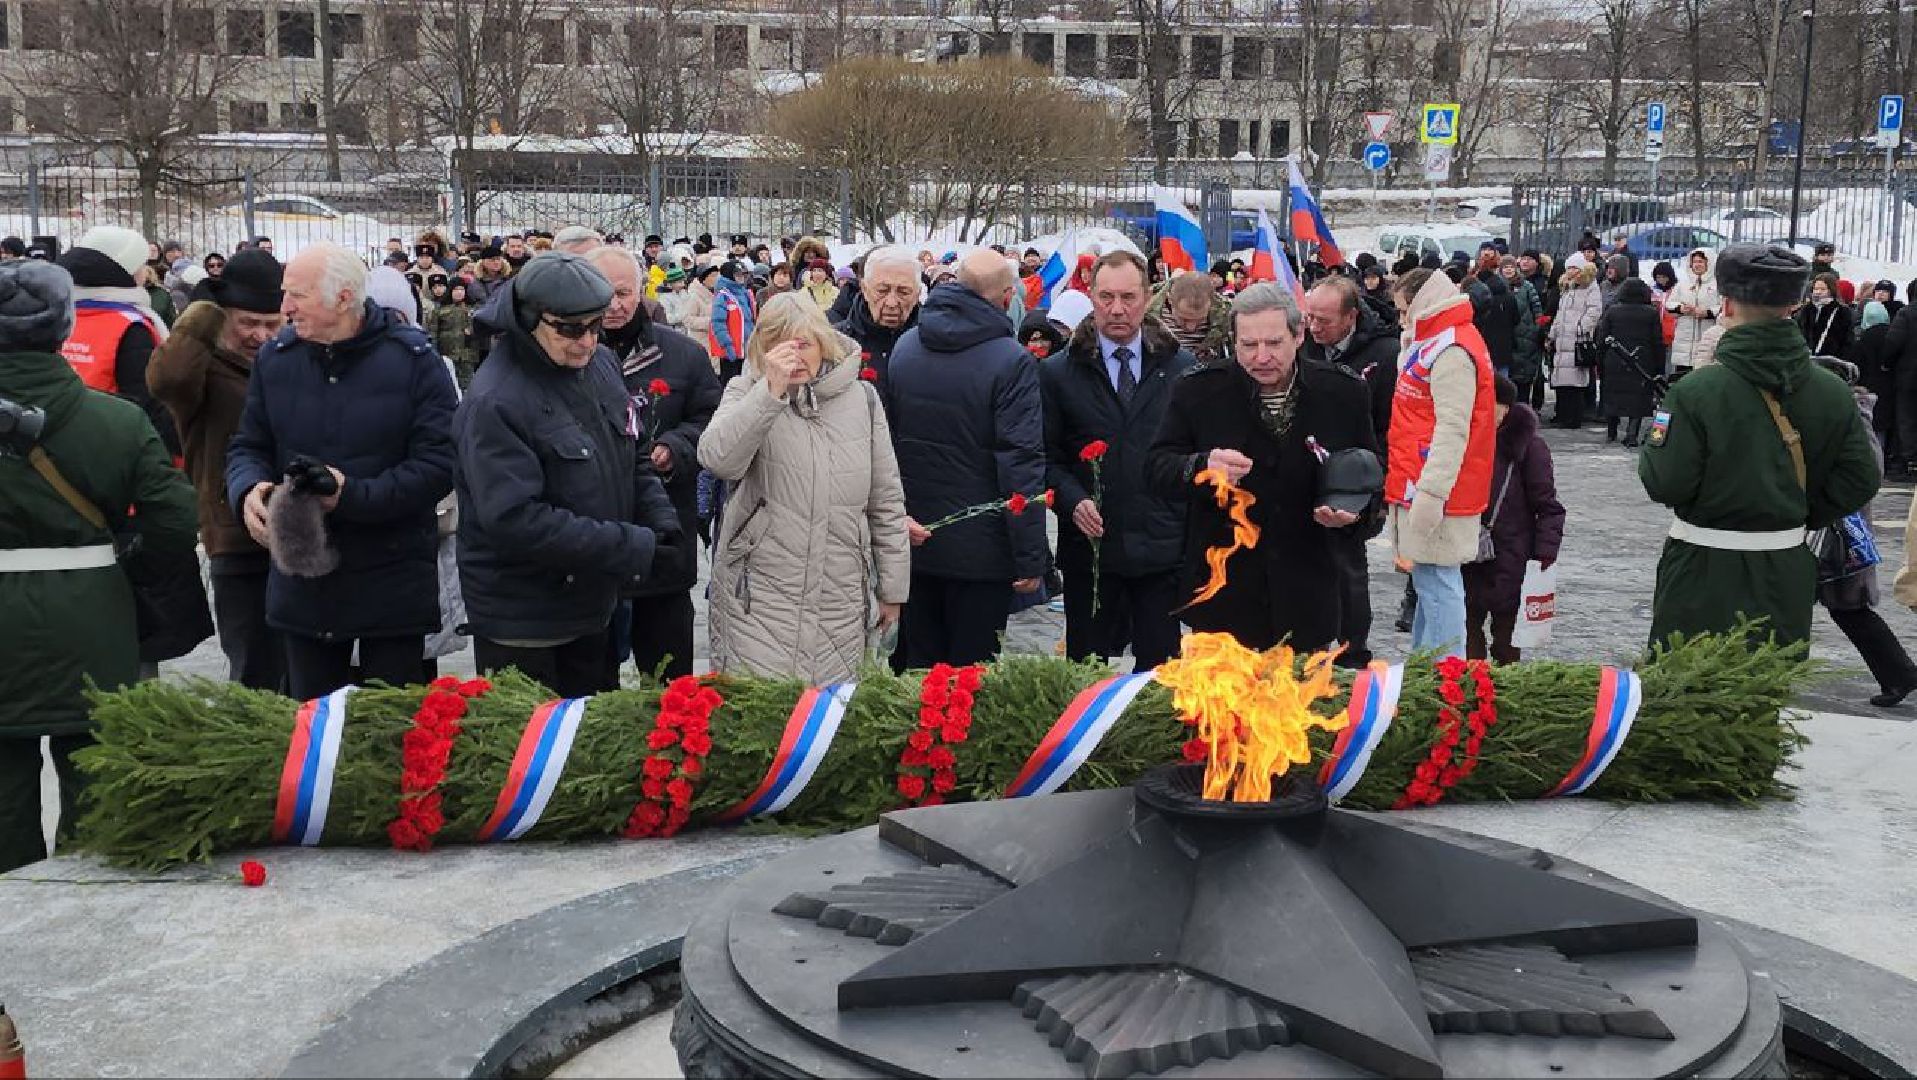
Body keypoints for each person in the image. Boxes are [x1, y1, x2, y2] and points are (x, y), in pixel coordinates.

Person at [0, 258, 198, 872]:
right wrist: (131, 565)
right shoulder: (116, 420)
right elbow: (175, 518)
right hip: (94, 614)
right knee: (96, 782)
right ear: (63, 328)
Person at [226, 243, 458, 699]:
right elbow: (247, 445)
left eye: (298, 295)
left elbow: (439, 466)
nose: (285, 307)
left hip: (391, 581)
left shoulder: (414, 361)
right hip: (303, 580)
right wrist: (248, 489)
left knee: (389, 729)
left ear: (344, 298)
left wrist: (351, 495)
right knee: (312, 729)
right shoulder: (277, 360)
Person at [453, 253, 683, 696]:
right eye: (570, 329)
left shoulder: (600, 366)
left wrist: (661, 522)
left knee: (592, 733)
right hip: (526, 621)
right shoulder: (495, 401)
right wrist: (630, 545)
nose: (587, 341)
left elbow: (630, 453)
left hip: (592, 604)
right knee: (538, 740)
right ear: (528, 320)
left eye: (596, 326)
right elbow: (517, 521)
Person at [1640, 244, 1879, 651]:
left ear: (1727, 304)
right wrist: (1797, 511)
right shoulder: (1833, 391)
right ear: (1794, 305)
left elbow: (1666, 482)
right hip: (1786, 566)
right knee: (1768, 679)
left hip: (1702, 566)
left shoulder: (1695, 392)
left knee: (1689, 681)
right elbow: (1861, 477)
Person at [1147, 282, 1379, 652]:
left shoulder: (1343, 392)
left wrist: (1353, 513)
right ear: (1233, 341)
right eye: (1248, 345)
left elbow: (1370, 475)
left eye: (1273, 343)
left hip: (1308, 592)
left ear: (1298, 335)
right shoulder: (1197, 391)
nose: (1261, 357)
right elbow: (1157, 468)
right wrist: (1202, 466)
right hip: (1223, 596)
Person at [698, 290, 908, 682]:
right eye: (779, 345)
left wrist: (893, 591)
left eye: (804, 344)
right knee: (763, 710)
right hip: (758, 598)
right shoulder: (745, 391)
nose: (793, 356)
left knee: (827, 711)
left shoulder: (862, 400)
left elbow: (886, 500)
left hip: (839, 594)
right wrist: (769, 394)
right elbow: (718, 459)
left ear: (823, 344)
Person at [886, 249, 1046, 668]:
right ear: (1007, 296)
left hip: (916, 538)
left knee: (918, 671)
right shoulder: (1011, 361)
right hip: (982, 550)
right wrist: (1030, 555)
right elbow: (1020, 461)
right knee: (970, 679)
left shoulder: (907, 344)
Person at [1035, 251, 1191, 669]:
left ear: (1148, 297)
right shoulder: (1057, 373)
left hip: (1161, 551)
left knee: (1160, 676)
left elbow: (1192, 455)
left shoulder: (1181, 369)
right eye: (1106, 297)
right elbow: (1044, 459)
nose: (1117, 309)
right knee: (1086, 674)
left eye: (1128, 297)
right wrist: (1072, 500)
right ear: (1091, 296)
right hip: (1091, 553)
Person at [146, 249, 289, 691]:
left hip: (298, 531)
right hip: (234, 538)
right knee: (256, 671)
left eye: (272, 324)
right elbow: (166, 380)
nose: (260, 335)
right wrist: (202, 309)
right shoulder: (202, 368)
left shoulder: (290, 360)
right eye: (248, 323)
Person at [585, 245, 721, 680]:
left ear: (643, 290)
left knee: (669, 680)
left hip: (664, 536)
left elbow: (712, 417)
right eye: (603, 293)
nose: (614, 305)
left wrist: (675, 448)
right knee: (592, 684)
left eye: (624, 293)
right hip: (592, 542)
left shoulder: (682, 354)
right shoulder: (568, 354)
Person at [1385, 268, 1499, 659]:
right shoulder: (1436, 341)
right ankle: (1425, 664)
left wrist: (1432, 492)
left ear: (1424, 303)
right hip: (1420, 479)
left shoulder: (1451, 350)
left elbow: (1454, 428)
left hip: (1438, 487)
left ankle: (1447, 670)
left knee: (1438, 581)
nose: (1401, 319)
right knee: (1428, 580)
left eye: (1404, 310)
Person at [1300, 276, 1399, 666]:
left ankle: (1351, 653)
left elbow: (1391, 425)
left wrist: (1376, 483)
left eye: (1323, 320)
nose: (1314, 327)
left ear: (1351, 317)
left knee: (1347, 568)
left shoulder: (1385, 354)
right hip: (1306, 473)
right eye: (1309, 317)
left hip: (1356, 479)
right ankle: (1307, 648)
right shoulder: (1302, 346)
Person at [1461, 376, 1563, 664]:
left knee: (1506, 643)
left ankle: (1504, 687)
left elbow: (1548, 508)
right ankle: (1469, 686)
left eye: (1488, 404)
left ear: (1505, 407)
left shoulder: (1529, 447)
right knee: (1466, 637)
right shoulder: (1463, 440)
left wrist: (1544, 555)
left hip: (1512, 556)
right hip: (1467, 554)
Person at [56, 226, 178, 458]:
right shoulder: (131, 324)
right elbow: (147, 404)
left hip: (58, 443)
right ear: (126, 271)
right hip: (112, 450)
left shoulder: (59, 315)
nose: (146, 271)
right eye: (142, 264)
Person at [834, 246, 921, 397]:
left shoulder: (936, 343)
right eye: (882, 291)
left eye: (903, 292)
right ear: (864, 289)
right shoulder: (836, 343)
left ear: (917, 294)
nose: (891, 303)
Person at [1597, 278, 1666, 447]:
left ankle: (1611, 432)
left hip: (1615, 359)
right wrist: (1659, 366)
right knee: (1638, 398)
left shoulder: (1612, 311)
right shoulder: (1651, 313)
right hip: (1642, 361)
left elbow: (1602, 338)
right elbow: (1657, 341)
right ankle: (1632, 434)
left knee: (1613, 395)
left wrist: (1600, 361)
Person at [1547, 255, 1602, 429]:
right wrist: (1552, 334)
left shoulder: (1590, 286)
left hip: (1577, 340)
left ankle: (1574, 418)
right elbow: (1560, 313)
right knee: (1562, 381)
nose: (1570, 271)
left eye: (1574, 268)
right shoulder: (1567, 287)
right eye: (1568, 268)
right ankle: (1563, 415)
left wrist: (1580, 328)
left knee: (1575, 382)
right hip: (1563, 339)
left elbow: (1594, 311)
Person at [1850, 300, 1900, 473]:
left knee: (1873, 427)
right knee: (1890, 425)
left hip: (1869, 387)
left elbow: (1856, 364)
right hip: (1891, 386)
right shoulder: (1893, 335)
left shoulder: (1862, 339)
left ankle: (1875, 462)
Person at [1147, 270, 1231, 365]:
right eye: (1184, 319)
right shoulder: (1145, 313)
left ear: (1211, 304)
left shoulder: (1226, 319)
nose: (1191, 328)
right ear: (1170, 300)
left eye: (1200, 320)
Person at [1502, 256, 1547, 407]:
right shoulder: (1498, 287)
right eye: (1505, 267)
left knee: (1524, 379)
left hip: (1526, 339)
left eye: (1511, 266)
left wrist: (1536, 330)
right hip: (1506, 340)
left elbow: (1537, 311)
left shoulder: (1527, 287)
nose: (1508, 270)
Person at [1666, 248, 1719, 375]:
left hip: (1707, 337)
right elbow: (1669, 304)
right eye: (1694, 262)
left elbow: (1722, 306)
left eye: (1700, 261)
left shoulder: (1717, 285)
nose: (1697, 265)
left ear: (1709, 263)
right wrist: (1681, 308)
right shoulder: (1682, 284)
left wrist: (1707, 313)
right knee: (1682, 375)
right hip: (1684, 340)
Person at [710, 261, 757, 381]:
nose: (741, 278)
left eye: (743, 274)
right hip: (731, 352)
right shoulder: (723, 296)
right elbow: (718, 323)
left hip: (746, 349)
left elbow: (751, 321)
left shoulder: (746, 294)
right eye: (737, 275)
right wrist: (727, 346)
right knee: (730, 382)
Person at [1797, 273, 1854, 358]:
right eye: (1816, 289)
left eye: (1823, 289)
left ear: (1831, 290)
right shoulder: (1806, 310)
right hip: (1806, 358)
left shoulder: (1841, 311)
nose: (1818, 292)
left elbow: (1848, 340)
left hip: (1832, 359)